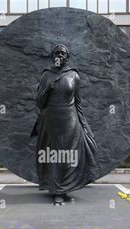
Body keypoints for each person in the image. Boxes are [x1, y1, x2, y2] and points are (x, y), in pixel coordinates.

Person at [31, 44, 98, 205]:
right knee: (54, 155)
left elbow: (78, 103)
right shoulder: (46, 75)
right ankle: (57, 191)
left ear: (67, 57)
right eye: (56, 53)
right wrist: (47, 88)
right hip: (51, 121)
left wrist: (86, 127)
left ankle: (66, 187)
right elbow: (39, 103)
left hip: (70, 120)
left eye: (62, 53)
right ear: (52, 57)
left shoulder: (74, 75)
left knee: (69, 156)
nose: (59, 55)